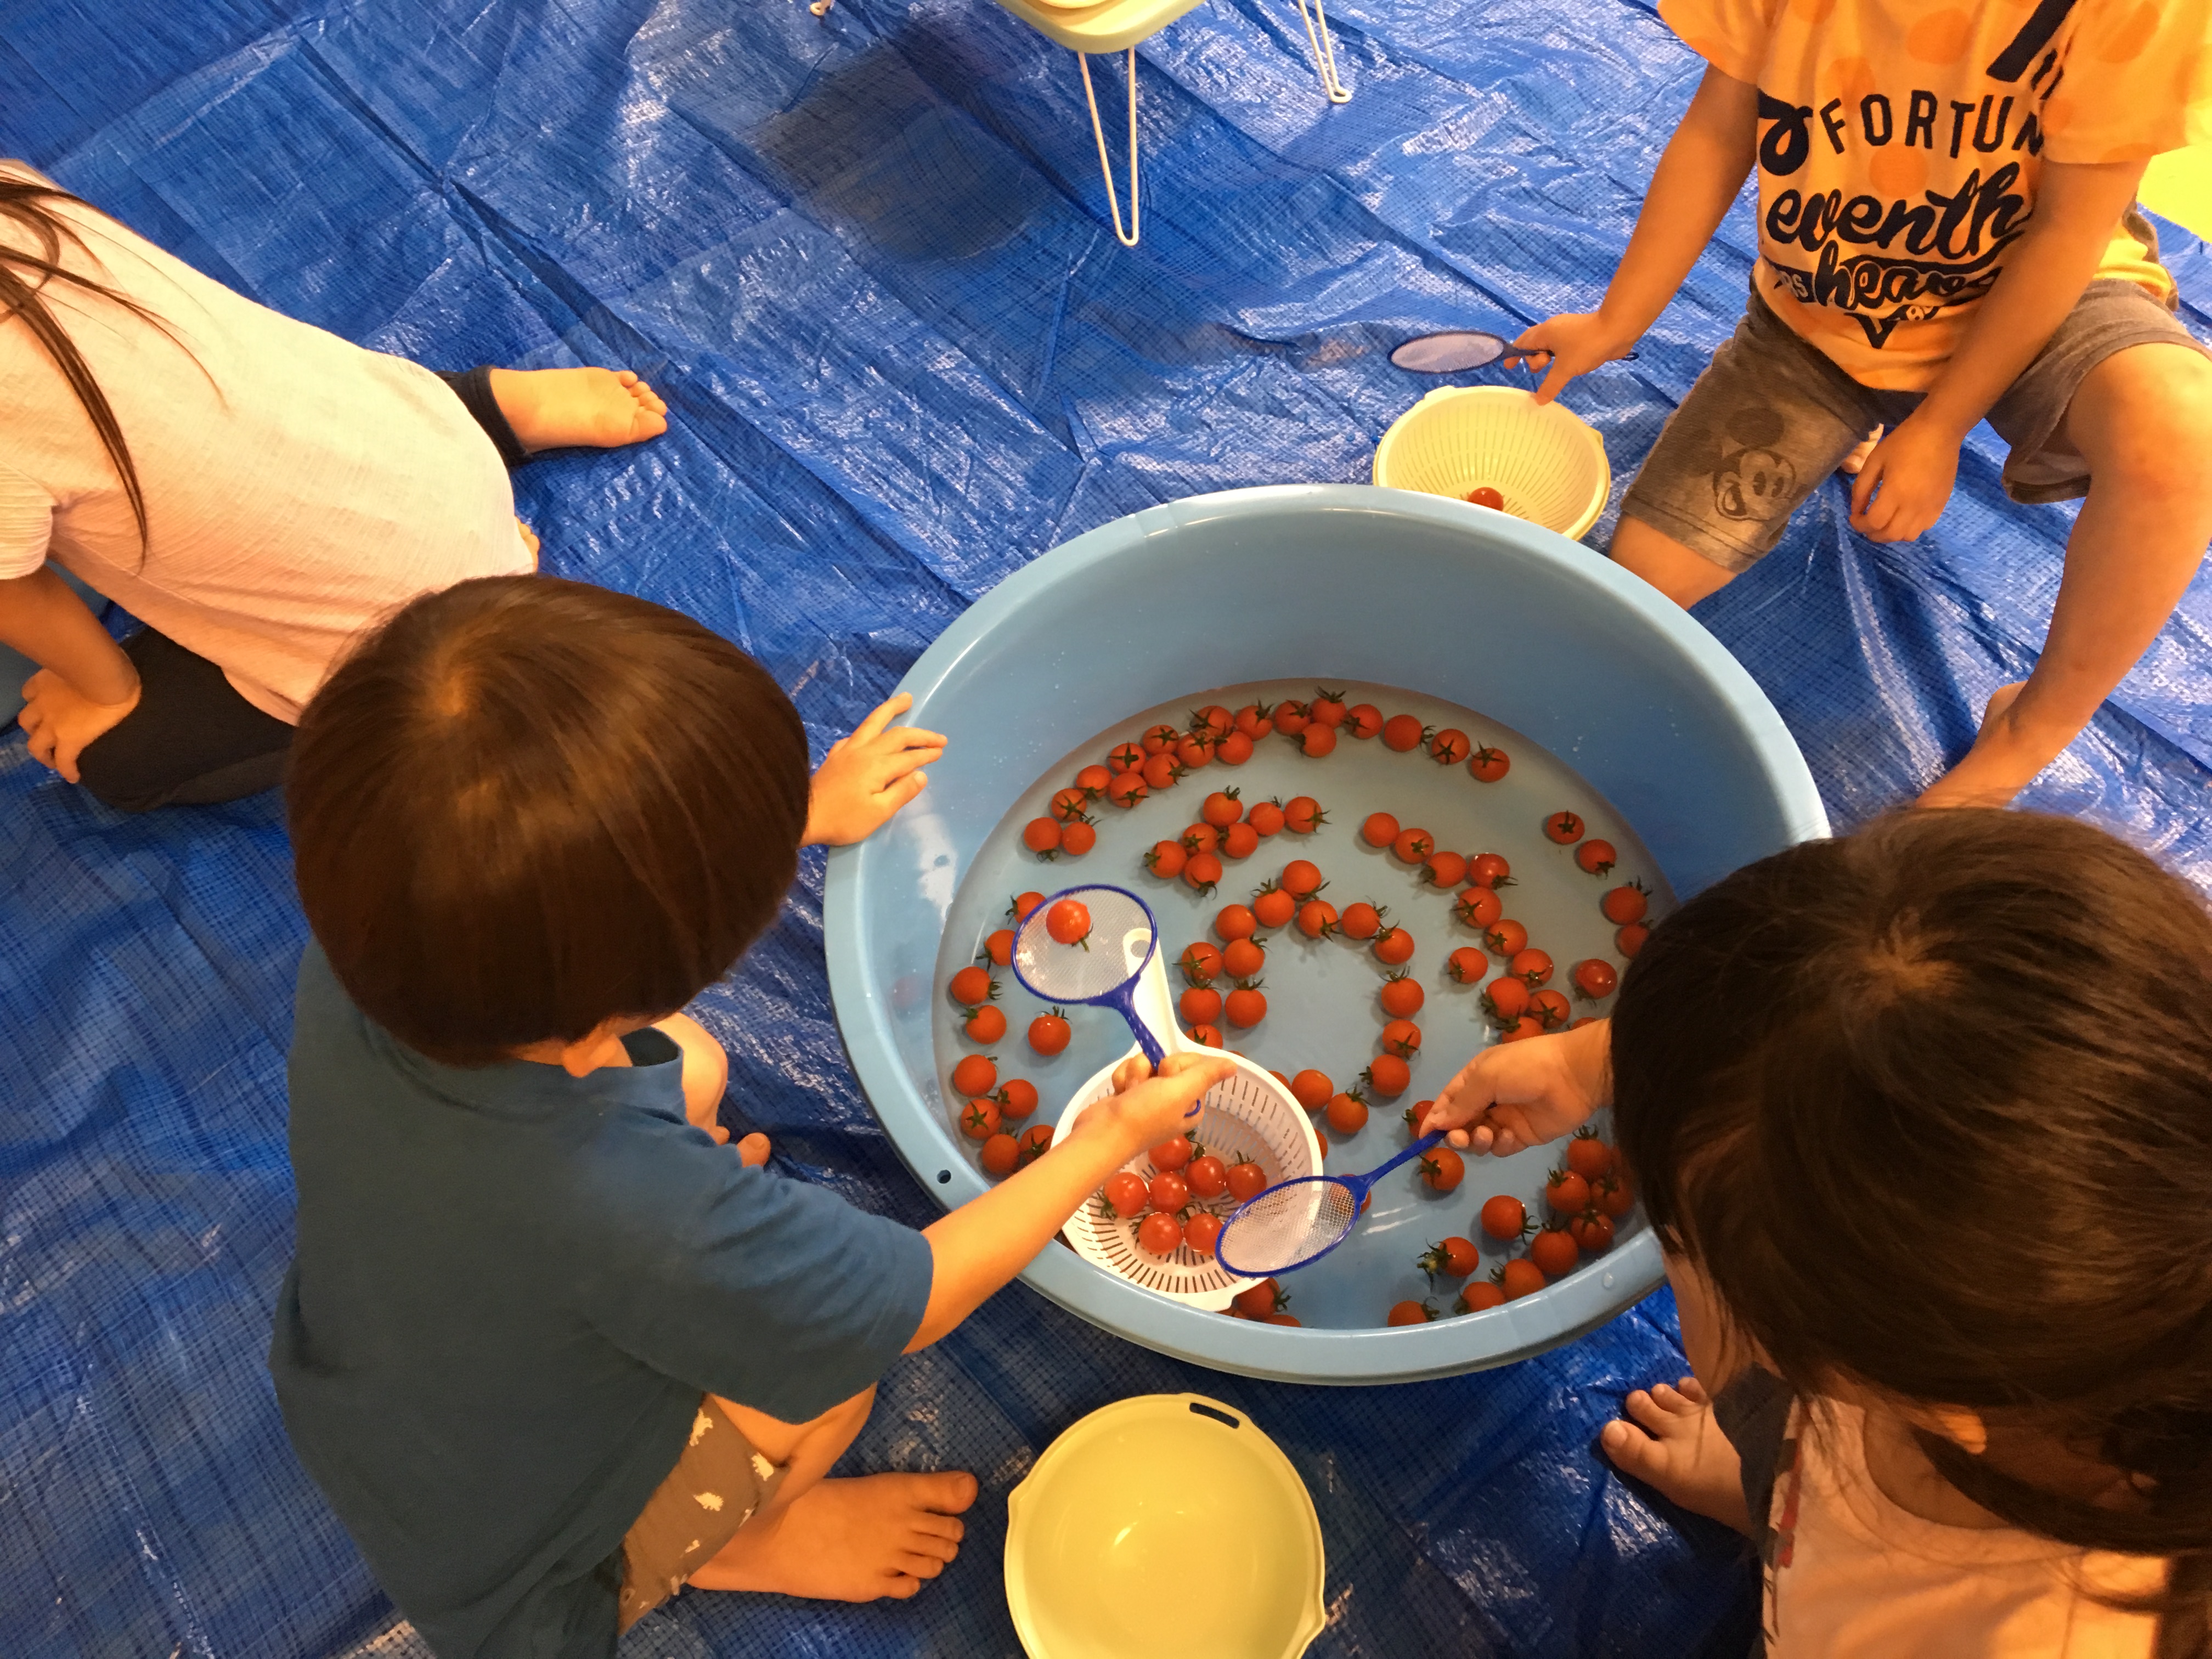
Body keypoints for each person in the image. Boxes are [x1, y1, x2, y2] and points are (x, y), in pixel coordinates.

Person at [270, 573, 1234, 1659]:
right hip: (529, 1573)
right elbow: (911, 1300)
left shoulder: (377, 946)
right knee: (834, 1386)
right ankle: (733, 1543)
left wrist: (802, 815)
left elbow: (577, 936)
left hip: (370, 1376)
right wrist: (1113, 1137)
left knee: (687, 1064)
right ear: (644, 973)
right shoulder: (632, 1212)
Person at [1424, 809, 2212, 1656]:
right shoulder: (2007, 1311)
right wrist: (1597, 1063)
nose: (1667, 1250)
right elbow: (1795, 1041)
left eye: (1679, 1245)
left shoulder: (1984, 1637)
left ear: (1901, 1392)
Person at [1507, 4, 2212, 807]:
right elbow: (1719, 128)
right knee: (1639, 584)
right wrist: (1616, 320)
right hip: (1823, 319)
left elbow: (2066, 230)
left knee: (2181, 433)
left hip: (2042, 297)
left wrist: (1940, 426)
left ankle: (2031, 729)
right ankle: (1869, 411)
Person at [0, 160, 669, 811]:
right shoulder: (15, 191)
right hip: (429, 446)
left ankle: (448, 582)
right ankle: (487, 408)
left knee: (110, 763)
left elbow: (14, 594)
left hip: (397, 632)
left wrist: (105, 693)